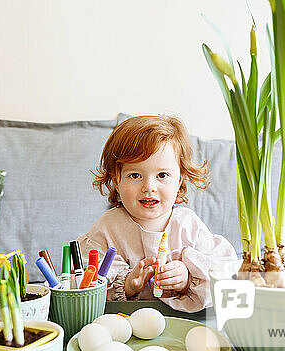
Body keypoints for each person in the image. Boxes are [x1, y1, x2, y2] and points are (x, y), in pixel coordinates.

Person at [77, 115, 237, 312]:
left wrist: (187, 280)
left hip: (180, 324)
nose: (148, 187)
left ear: (180, 179)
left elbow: (223, 277)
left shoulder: (187, 225)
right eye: (135, 175)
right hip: (124, 323)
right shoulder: (108, 227)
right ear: (116, 180)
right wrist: (127, 285)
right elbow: (85, 284)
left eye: (162, 175)